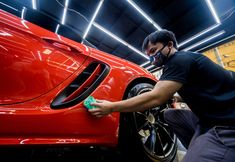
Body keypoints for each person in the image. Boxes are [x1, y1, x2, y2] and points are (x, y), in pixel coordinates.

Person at [89, 29, 235, 162]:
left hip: (227, 125)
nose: (152, 57)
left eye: (154, 50)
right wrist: (178, 97)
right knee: (170, 115)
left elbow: (156, 97)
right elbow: (206, 89)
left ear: (170, 45)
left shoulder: (178, 60)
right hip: (207, 120)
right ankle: (199, 144)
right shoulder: (186, 60)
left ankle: (213, 149)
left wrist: (112, 107)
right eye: (149, 55)